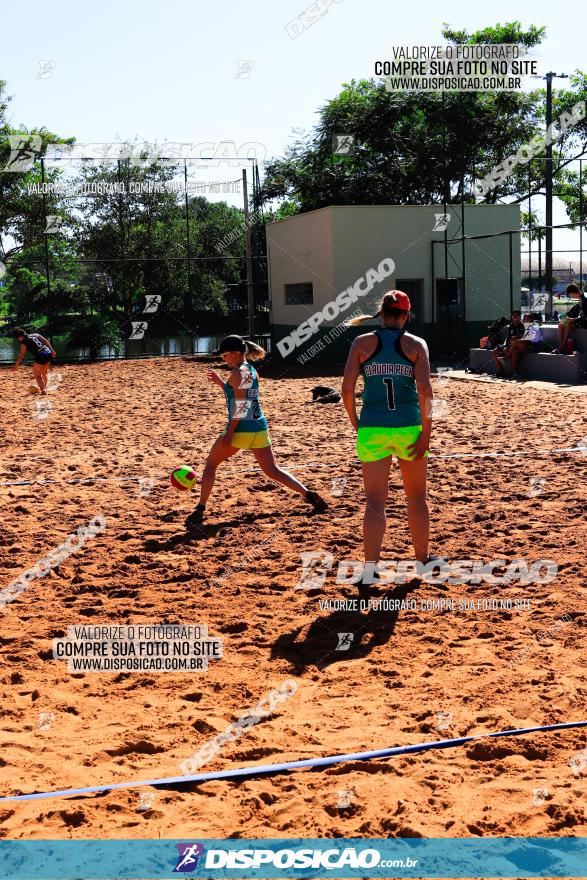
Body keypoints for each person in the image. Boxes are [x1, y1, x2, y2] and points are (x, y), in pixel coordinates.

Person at [342, 290, 433, 584]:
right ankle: (421, 560)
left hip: (373, 426)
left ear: (381, 313)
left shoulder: (361, 343)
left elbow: (346, 389)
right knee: (416, 497)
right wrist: (426, 435)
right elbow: (425, 393)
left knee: (374, 502)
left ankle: (370, 569)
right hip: (409, 426)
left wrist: (357, 423)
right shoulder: (416, 344)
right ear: (406, 315)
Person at [188, 335, 328, 525]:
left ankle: (200, 508)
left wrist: (230, 433)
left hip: (242, 429)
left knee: (211, 464)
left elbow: (241, 405)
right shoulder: (251, 371)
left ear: (236, 354)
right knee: (272, 470)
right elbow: (238, 394)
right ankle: (308, 494)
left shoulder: (238, 374)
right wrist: (221, 382)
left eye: (225, 355)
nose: (223, 359)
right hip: (259, 427)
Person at [11, 327, 56, 394]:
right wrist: (52, 350)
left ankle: (43, 390)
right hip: (48, 353)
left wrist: (16, 366)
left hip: (40, 356)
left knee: (37, 375)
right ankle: (45, 387)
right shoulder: (36, 335)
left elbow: (21, 356)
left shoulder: (23, 342)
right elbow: (45, 341)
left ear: (19, 337)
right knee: (44, 372)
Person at [490, 310, 525, 377]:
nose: (515, 317)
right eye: (513, 316)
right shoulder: (511, 326)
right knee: (494, 352)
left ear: (519, 317)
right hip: (508, 345)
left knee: (513, 352)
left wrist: (514, 339)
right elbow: (508, 338)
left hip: (516, 346)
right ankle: (501, 371)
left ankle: (514, 372)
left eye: (516, 316)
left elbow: (521, 337)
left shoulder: (522, 325)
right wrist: (504, 345)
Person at [554, 285, 587, 353]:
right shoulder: (581, 298)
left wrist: (572, 319)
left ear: (572, 292)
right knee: (560, 324)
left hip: (585, 322)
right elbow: (574, 311)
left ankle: (561, 348)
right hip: (580, 320)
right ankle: (562, 346)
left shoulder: (585, 300)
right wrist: (567, 316)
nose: (570, 297)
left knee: (567, 325)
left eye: (570, 295)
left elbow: (585, 317)